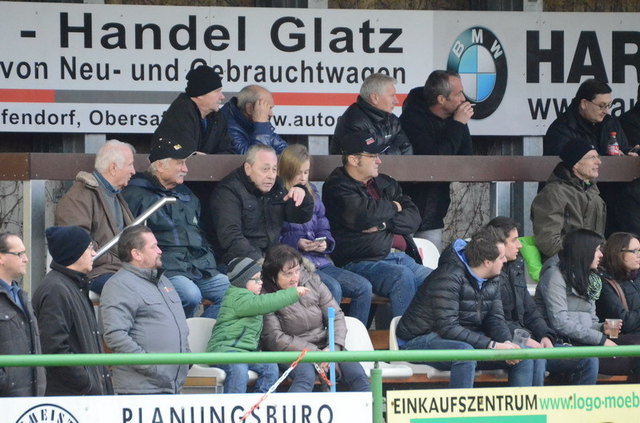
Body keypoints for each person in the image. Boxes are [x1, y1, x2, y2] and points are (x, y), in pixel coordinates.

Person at [396, 227, 535, 389]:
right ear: (487, 262)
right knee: (465, 354)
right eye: (501, 257)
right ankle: (460, 406)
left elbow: (495, 319)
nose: (505, 261)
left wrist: (506, 343)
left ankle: (521, 406)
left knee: (523, 355)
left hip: (462, 337)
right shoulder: (448, 277)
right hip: (418, 339)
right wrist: (492, 345)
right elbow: (448, 328)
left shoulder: (493, 277)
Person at [322, 130, 430, 318]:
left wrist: (383, 225)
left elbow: (414, 218)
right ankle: (404, 336)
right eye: (373, 156)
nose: (379, 161)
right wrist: (395, 206)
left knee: (439, 279)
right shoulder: (337, 186)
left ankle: (427, 334)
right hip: (361, 262)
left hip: (402, 258)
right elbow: (364, 215)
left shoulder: (385, 182)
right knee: (401, 277)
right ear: (354, 160)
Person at [123, 135, 230, 318]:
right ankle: (180, 331)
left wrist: (208, 259)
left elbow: (201, 234)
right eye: (179, 163)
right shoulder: (136, 195)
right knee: (190, 295)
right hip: (166, 269)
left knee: (234, 294)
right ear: (160, 165)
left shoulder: (187, 195)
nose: (185, 169)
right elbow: (129, 240)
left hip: (198, 267)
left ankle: (201, 332)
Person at [488, 217, 598, 386]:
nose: (520, 245)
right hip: (502, 341)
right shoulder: (490, 272)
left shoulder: (516, 267)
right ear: (499, 244)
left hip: (528, 339)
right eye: (514, 240)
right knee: (533, 356)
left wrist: (545, 334)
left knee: (588, 359)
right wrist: (523, 339)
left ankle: (579, 404)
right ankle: (532, 403)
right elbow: (494, 320)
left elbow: (530, 311)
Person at [278, 144, 372, 324]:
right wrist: (297, 242)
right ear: (287, 171)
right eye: (298, 172)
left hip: (320, 260)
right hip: (297, 265)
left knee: (363, 287)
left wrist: (325, 243)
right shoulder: (278, 195)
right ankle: (328, 337)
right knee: (333, 289)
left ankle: (355, 337)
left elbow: (323, 225)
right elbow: (274, 237)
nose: (303, 177)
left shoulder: (312, 191)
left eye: (306, 172)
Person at [261, 245, 370, 392]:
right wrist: (316, 354)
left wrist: (333, 347)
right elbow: (275, 338)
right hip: (290, 351)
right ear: (273, 276)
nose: (295, 278)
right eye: (288, 274)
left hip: (326, 346)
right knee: (306, 376)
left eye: (297, 271)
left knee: (357, 374)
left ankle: (370, 407)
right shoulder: (265, 297)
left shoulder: (313, 281)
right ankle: (295, 408)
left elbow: (336, 315)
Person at [536, 229, 640, 382]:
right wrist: (601, 340)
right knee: (591, 360)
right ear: (584, 251)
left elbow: (591, 321)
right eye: (597, 250)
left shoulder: (590, 279)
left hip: (586, 342)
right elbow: (560, 322)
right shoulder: (554, 276)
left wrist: (602, 327)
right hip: (562, 343)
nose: (601, 255)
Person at [100, 225, 189, 394]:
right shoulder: (119, 285)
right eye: (153, 247)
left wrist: (186, 359)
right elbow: (115, 335)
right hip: (140, 390)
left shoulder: (163, 282)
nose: (160, 251)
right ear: (137, 254)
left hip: (173, 387)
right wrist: (152, 367)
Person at [32, 226, 113, 396]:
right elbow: (54, 348)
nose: (94, 253)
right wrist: (87, 383)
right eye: (89, 247)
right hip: (73, 399)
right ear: (74, 252)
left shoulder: (74, 286)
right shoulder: (55, 290)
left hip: (82, 396)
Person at [207, 257, 308, 393]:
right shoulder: (238, 297)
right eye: (255, 279)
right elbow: (264, 303)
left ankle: (260, 403)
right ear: (242, 282)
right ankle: (234, 405)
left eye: (260, 278)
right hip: (226, 351)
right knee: (239, 369)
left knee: (270, 367)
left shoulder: (250, 298)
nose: (260, 282)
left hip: (246, 353)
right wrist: (292, 293)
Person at [400, 70, 474, 251]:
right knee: (404, 263)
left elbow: (466, 158)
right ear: (441, 99)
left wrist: (459, 125)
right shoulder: (412, 119)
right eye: (458, 94)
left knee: (431, 263)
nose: (463, 99)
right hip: (405, 212)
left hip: (435, 213)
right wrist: (457, 124)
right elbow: (434, 161)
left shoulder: (456, 119)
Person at [209, 144, 314, 265]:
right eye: (265, 169)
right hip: (239, 262)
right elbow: (230, 236)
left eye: (274, 169)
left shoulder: (277, 186)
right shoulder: (228, 191)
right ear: (248, 168)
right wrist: (261, 262)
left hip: (272, 260)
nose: (271, 176)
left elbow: (299, 217)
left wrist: (302, 194)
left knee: (312, 276)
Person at [55, 139, 136, 294]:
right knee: (136, 291)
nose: (133, 171)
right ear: (113, 168)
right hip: (94, 273)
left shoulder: (114, 194)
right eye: (130, 165)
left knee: (164, 289)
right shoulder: (78, 197)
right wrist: (118, 259)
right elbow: (76, 243)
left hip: (120, 271)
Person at [531, 139, 606, 258]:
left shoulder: (593, 194)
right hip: (564, 265)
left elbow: (599, 239)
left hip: (590, 263)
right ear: (575, 164)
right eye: (592, 157)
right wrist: (579, 259)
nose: (599, 162)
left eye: (598, 157)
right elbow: (549, 242)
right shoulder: (554, 193)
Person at [0, 233, 45, 397]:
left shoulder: (22, 296)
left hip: (30, 397)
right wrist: (4, 383)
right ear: (1, 258)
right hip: (7, 399)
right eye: (19, 254)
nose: (26, 259)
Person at [153, 65, 233, 154]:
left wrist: (208, 159)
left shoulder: (217, 116)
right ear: (201, 94)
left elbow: (228, 152)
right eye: (217, 91)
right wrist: (202, 158)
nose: (222, 97)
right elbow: (184, 153)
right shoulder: (181, 113)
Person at [331, 73, 412, 155]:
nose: (396, 101)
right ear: (374, 98)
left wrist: (383, 152)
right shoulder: (353, 121)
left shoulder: (392, 120)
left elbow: (407, 151)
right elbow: (365, 159)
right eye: (392, 96)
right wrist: (394, 151)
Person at [544, 78, 630, 156]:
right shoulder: (562, 130)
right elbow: (563, 164)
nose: (606, 111)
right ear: (584, 104)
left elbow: (623, 148)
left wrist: (628, 153)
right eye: (601, 106)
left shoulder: (611, 122)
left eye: (608, 105)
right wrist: (607, 158)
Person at [220, 84, 287, 155]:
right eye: (267, 108)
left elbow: (285, 151)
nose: (271, 114)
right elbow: (258, 157)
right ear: (249, 109)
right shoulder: (226, 125)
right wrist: (261, 125)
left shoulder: (253, 121)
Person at [596, 232, 640, 337]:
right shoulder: (604, 282)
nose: (639, 255)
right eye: (635, 251)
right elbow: (622, 322)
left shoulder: (633, 278)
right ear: (618, 253)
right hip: (620, 341)